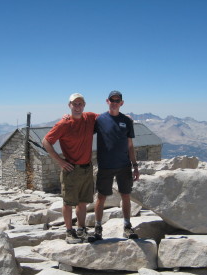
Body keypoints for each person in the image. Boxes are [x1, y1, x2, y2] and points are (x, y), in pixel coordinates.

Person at [42, 93, 97, 244]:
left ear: (84, 105)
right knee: (68, 202)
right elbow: (46, 141)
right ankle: (69, 232)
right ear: (69, 105)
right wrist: (60, 161)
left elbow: (108, 118)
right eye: (75, 104)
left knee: (83, 202)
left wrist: (126, 118)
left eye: (80, 104)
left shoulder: (90, 118)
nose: (78, 107)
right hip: (71, 169)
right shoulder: (64, 124)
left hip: (86, 168)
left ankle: (81, 229)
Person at [94, 90, 140, 240]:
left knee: (125, 196)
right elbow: (84, 127)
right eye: (111, 100)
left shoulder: (127, 121)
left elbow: (130, 145)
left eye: (117, 101)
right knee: (101, 197)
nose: (114, 103)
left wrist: (135, 165)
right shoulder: (100, 119)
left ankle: (127, 226)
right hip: (105, 166)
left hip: (124, 165)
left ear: (121, 103)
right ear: (107, 101)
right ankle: (97, 227)